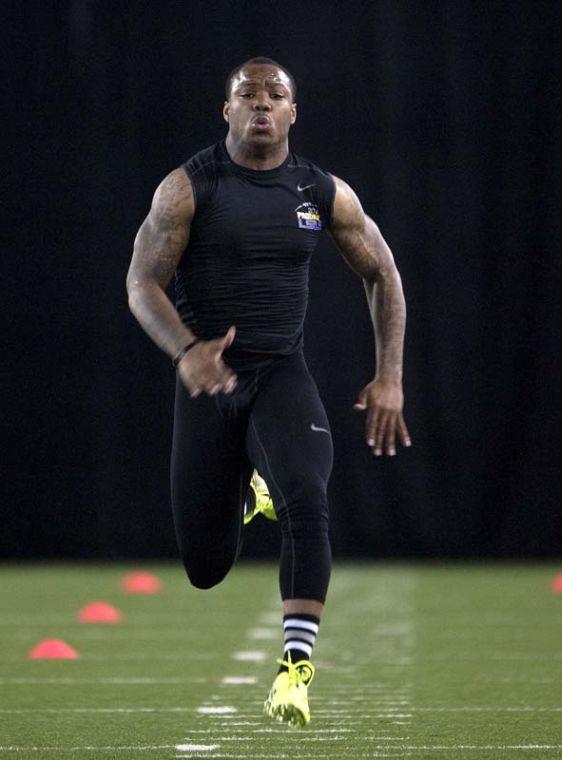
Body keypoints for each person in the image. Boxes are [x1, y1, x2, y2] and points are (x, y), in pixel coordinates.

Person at [126, 56, 410, 727]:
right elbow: (141, 284)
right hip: (207, 380)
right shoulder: (187, 188)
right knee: (204, 566)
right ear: (226, 111)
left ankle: (294, 671)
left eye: (274, 95)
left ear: (292, 112)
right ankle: (248, 491)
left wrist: (389, 373)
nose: (260, 105)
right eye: (246, 95)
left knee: (308, 500)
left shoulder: (320, 190)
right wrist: (186, 350)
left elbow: (382, 271)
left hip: (280, 372)